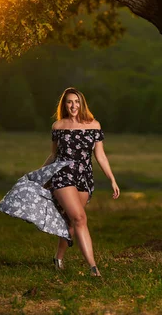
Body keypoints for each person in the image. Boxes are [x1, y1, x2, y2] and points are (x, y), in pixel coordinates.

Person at [41, 87, 119, 277]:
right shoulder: (58, 126)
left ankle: (58, 258)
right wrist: (40, 176)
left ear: (82, 103)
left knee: (70, 223)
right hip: (62, 175)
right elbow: (53, 155)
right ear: (64, 104)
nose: (73, 105)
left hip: (84, 178)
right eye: (69, 102)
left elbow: (100, 156)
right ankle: (93, 268)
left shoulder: (94, 125)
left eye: (76, 101)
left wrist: (112, 179)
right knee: (80, 218)